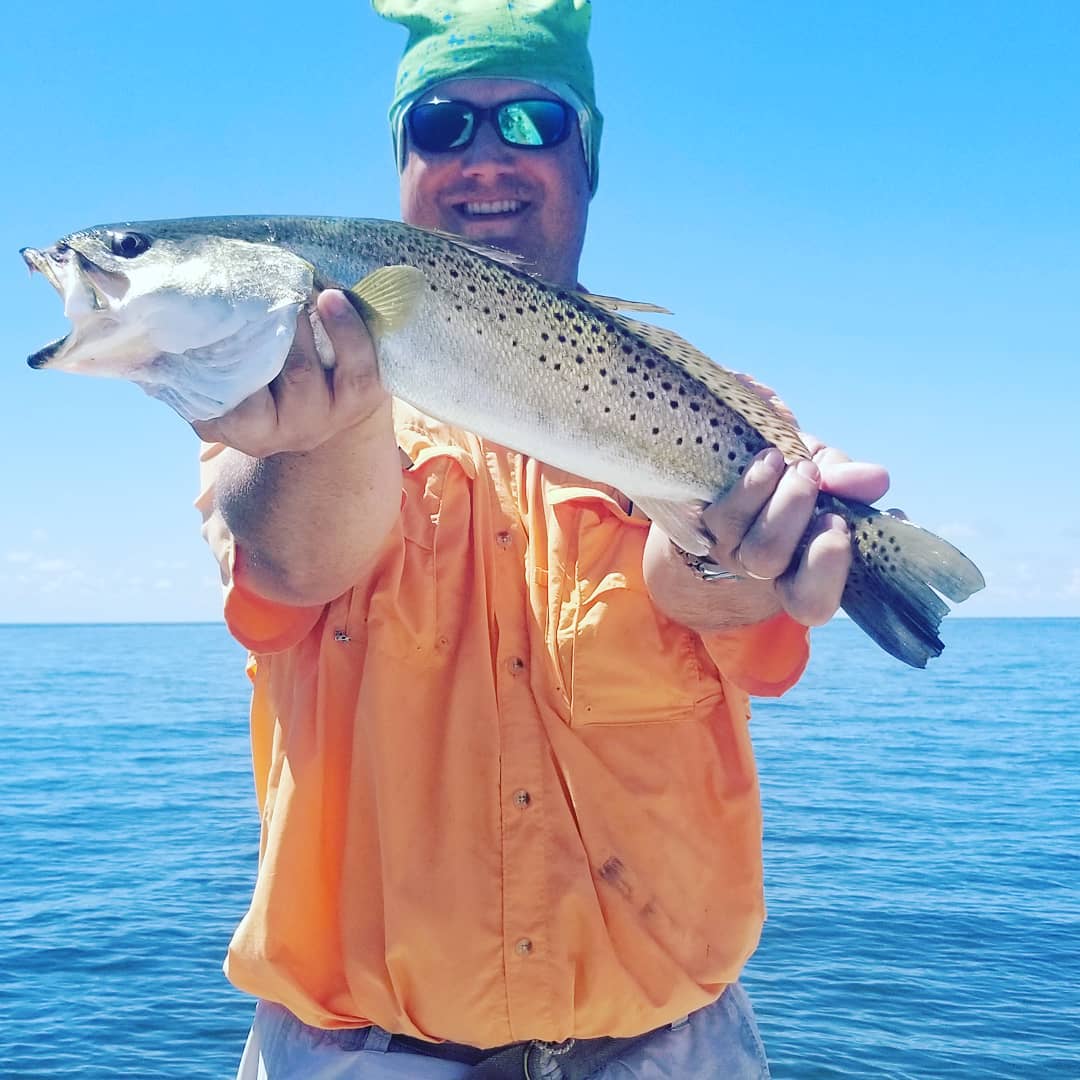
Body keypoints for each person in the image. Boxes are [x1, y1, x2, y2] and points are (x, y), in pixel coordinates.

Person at [195, 2, 889, 1076]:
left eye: (532, 122)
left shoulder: (696, 402)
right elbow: (292, 566)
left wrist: (728, 550)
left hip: (670, 1049)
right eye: (440, 124)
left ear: (587, 159)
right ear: (400, 162)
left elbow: (709, 601)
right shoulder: (285, 404)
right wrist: (316, 437)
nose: (486, 158)